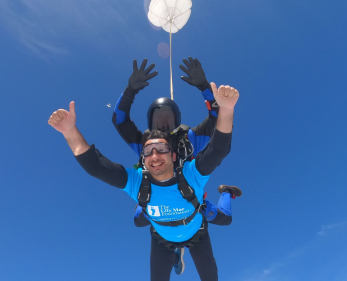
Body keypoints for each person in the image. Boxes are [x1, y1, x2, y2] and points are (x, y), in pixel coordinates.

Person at [48, 82, 239, 281]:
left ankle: (226, 192)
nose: (155, 156)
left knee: (222, 229)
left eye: (162, 149)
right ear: (143, 159)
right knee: (138, 221)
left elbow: (218, 149)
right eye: (148, 151)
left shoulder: (192, 174)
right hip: (162, 240)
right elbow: (95, 166)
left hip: (197, 235)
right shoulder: (137, 182)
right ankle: (173, 249)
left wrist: (226, 109)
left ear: (173, 156)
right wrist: (69, 131)